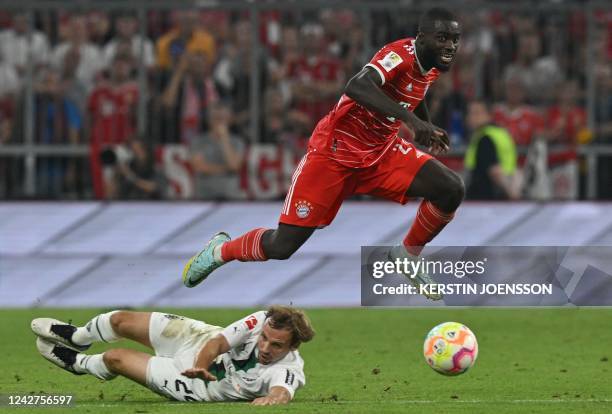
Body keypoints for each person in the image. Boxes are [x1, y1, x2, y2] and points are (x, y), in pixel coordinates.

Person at [183, 8, 464, 301]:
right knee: (282, 247)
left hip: (381, 153)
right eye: (442, 38)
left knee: (450, 189)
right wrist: (412, 122)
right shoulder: (399, 55)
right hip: (333, 154)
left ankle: (407, 254)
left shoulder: (430, 65)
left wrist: (425, 123)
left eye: (455, 39)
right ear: (421, 38)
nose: (450, 46)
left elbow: (412, 93)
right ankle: (219, 251)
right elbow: (357, 86)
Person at [32, 305, 314, 405]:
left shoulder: (288, 369)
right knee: (119, 320)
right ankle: (79, 338)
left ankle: (77, 363)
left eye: (276, 346)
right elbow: (217, 342)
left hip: (197, 385)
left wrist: (275, 398)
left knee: (114, 358)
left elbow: (282, 391)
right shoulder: (262, 319)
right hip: (198, 339)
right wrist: (201, 364)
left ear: (292, 347)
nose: (265, 348)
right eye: (265, 339)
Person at [464, 99, 519, 200]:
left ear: (488, 115)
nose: (471, 117)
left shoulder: (485, 138)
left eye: (477, 113)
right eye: (470, 113)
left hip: (486, 198)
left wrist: (512, 195)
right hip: (501, 195)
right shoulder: (500, 132)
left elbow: (495, 171)